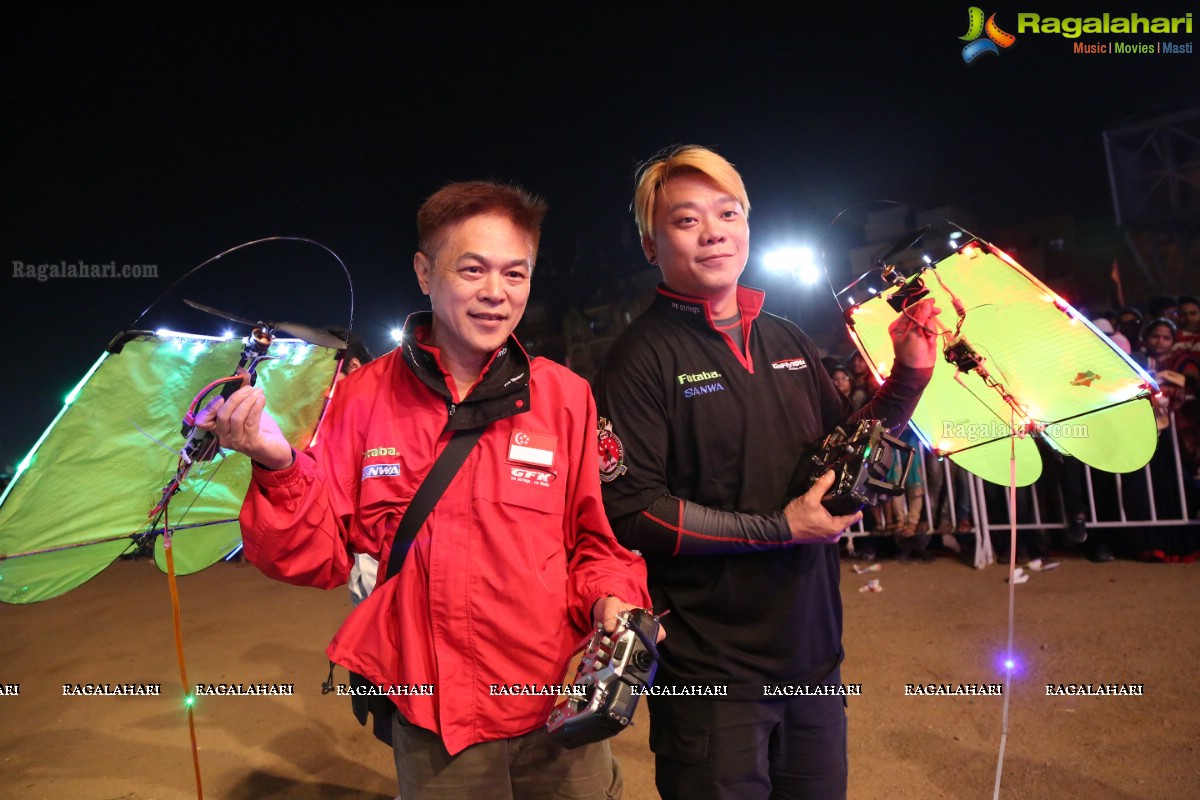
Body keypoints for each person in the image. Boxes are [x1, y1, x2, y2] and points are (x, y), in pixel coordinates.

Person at [199, 180, 652, 800]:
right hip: (437, 728)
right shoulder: (360, 399)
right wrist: (278, 464)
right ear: (423, 272)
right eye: (472, 269)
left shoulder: (565, 397)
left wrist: (615, 604)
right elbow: (313, 555)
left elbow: (594, 547)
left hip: (558, 711)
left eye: (515, 274)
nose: (496, 293)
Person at [593, 145, 938, 800]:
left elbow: (844, 450)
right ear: (650, 244)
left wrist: (910, 375)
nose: (714, 230)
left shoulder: (786, 338)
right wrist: (779, 529)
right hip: (711, 673)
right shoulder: (639, 358)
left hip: (812, 657)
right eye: (686, 220)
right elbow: (633, 508)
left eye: (728, 212)